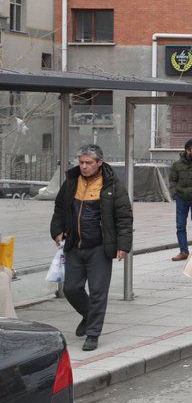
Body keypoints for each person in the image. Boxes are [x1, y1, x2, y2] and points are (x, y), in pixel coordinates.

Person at [50, 143, 133, 352]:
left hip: (99, 247)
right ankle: (88, 315)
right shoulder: (71, 181)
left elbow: (124, 217)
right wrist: (57, 229)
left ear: (99, 163)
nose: (84, 166)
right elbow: (60, 207)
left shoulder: (112, 186)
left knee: (98, 291)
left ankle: (93, 334)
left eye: (88, 163)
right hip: (74, 246)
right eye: (81, 162)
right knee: (71, 288)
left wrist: (123, 245)